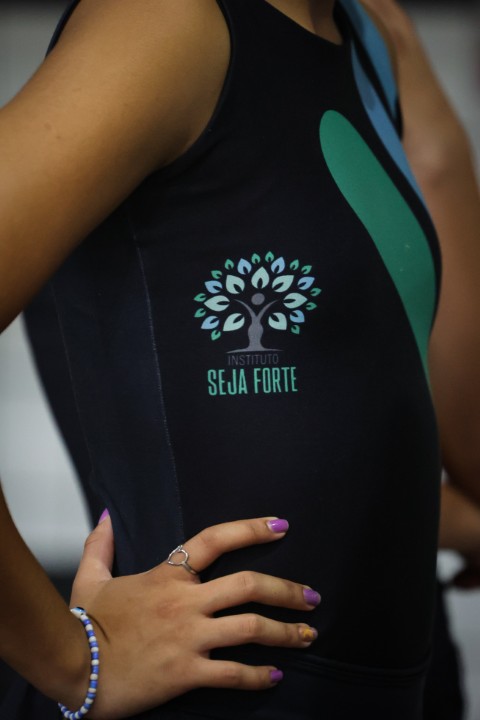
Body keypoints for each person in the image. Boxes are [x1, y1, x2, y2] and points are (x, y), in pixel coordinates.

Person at [0, 0, 479, 718]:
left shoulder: (364, 36)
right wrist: (72, 661)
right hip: (217, 694)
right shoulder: (166, 22)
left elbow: (379, 413)